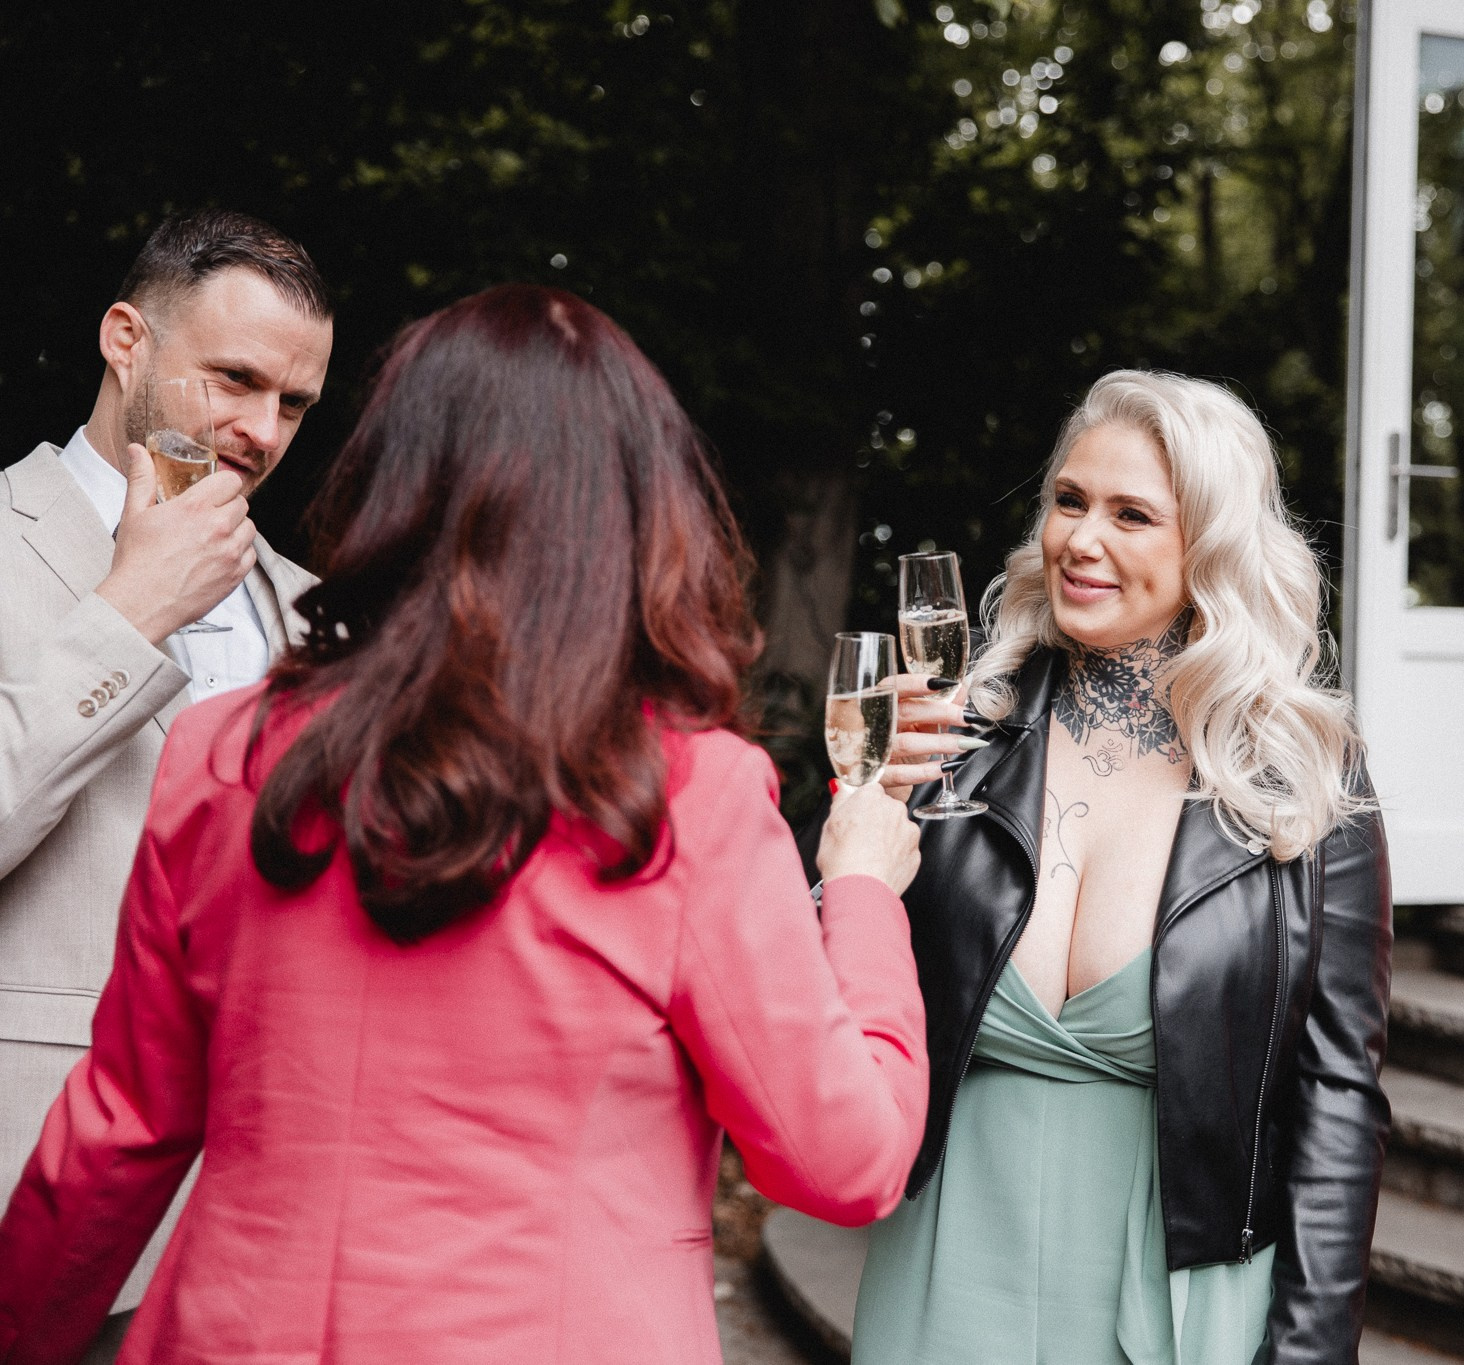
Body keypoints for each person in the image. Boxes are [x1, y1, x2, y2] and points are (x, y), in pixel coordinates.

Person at [0, 284, 929, 1364]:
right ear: (642, 514)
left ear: (391, 485)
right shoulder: (690, 789)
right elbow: (844, 1160)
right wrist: (863, 894)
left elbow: (120, 1133)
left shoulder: (222, 751)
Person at [847, 370, 1394, 1365]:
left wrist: (1311, 1350)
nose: (1080, 540)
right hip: (944, 1265)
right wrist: (862, 802)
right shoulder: (953, 740)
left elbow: (1337, 1099)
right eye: (1069, 501)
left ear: (1211, 545)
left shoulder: (1304, 778)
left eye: (1130, 514)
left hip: (1178, 1284)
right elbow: (820, 986)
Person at [0, 209, 332, 1341]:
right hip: (36, 1205)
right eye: (234, 379)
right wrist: (130, 614)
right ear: (125, 339)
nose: (261, 430)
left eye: (293, 403)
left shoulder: (321, 613)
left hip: (265, 1236)